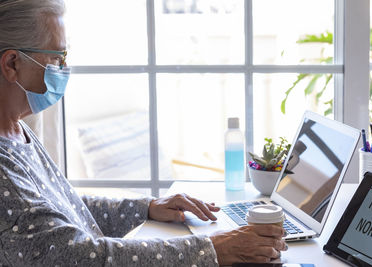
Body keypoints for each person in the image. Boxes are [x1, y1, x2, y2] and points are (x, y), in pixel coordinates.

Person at [0, 0, 287, 266]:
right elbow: (77, 255)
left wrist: (146, 207)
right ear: (12, 64)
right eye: (57, 58)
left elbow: (62, 209)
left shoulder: (16, 130)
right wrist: (212, 250)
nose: (65, 68)